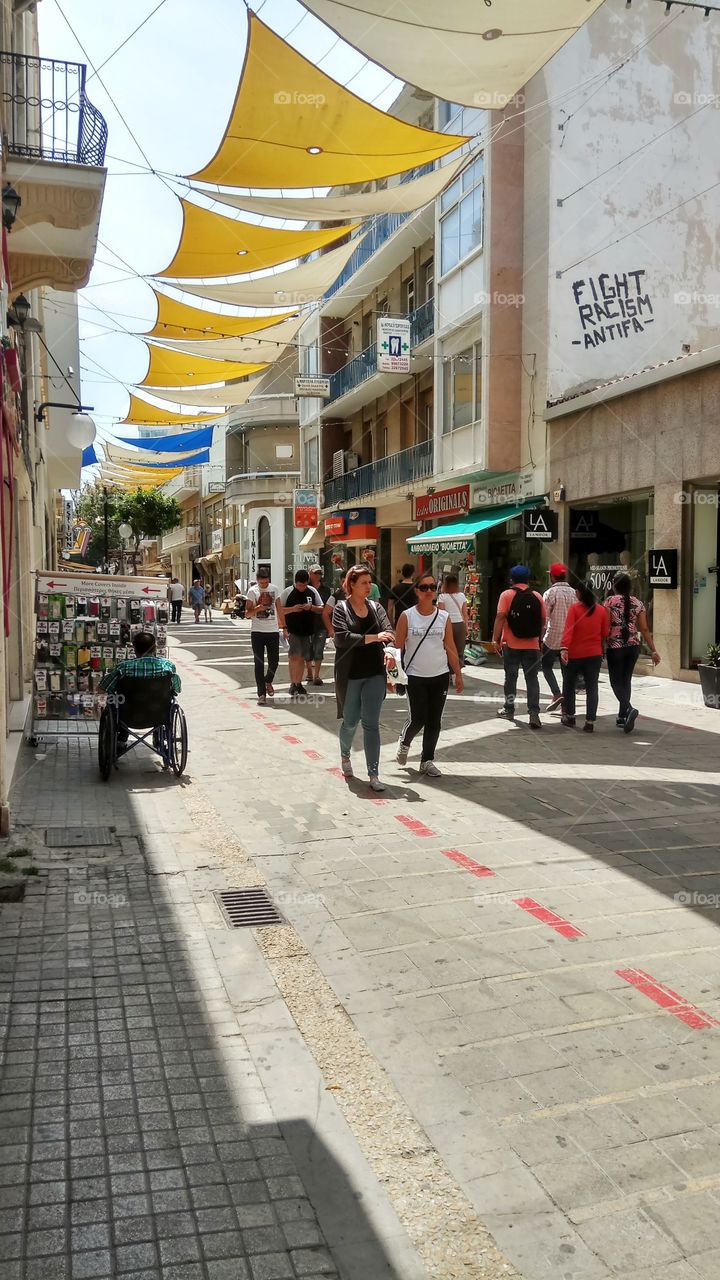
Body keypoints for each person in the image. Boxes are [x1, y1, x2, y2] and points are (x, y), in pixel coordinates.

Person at [395, 571, 464, 777]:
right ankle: (405, 741)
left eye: (432, 587)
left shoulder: (443, 617)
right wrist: (393, 677)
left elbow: (450, 647)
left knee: (434, 720)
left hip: (440, 675)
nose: (429, 591)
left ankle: (427, 760)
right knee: (418, 719)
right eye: (424, 587)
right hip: (415, 676)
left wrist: (457, 674)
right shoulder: (407, 616)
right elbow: (398, 648)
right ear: (416, 591)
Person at [332, 564, 394, 791]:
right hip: (350, 675)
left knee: (371, 724)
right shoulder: (341, 609)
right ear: (351, 585)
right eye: (364, 583)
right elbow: (343, 639)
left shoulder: (376, 608)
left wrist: (388, 650)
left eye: (370, 582)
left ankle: (374, 774)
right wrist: (375, 637)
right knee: (350, 722)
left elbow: (389, 633)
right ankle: (345, 755)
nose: (370, 586)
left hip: (375, 674)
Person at [99, 631, 181, 754]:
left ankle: (121, 740)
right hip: (159, 715)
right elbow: (177, 689)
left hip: (127, 715)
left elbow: (102, 688)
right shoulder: (167, 666)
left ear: (134, 648)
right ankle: (161, 737)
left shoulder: (123, 667)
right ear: (155, 648)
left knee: (114, 700)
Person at [604, 572, 660, 732]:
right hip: (633, 646)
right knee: (626, 680)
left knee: (615, 681)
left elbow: (606, 627)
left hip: (615, 646)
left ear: (614, 586)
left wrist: (601, 642)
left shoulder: (609, 601)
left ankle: (628, 709)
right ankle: (622, 716)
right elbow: (644, 628)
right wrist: (653, 650)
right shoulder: (638, 603)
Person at [492, 565, 546, 728]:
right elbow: (543, 621)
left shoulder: (506, 595)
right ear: (528, 579)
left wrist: (495, 639)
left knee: (511, 677)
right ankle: (534, 714)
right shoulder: (537, 596)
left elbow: (501, 617)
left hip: (512, 643)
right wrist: (539, 640)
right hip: (532, 645)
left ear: (511, 579)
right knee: (532, 679)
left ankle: (509, 709)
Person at [560, 580, 610, 731]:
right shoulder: (601, 610)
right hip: (594, 654)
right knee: (592, 687)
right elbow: (605, 633)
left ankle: (570, 716)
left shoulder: (574, 609)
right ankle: (590, 721)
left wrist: (564, 648)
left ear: (578, 593)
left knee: (569, 685)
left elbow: (568, 630)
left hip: (575, 654)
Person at [279, 569, 324, 697]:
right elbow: (279, 610)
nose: (302, 588)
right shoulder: (287, 592)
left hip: (308, 630)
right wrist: (292, 610)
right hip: (293, 629)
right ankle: (293, 683)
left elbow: (321, 608)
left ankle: (298, 683)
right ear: (295, 583)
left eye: (304, 585)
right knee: (294, 656)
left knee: (302, 657)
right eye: (299, 585)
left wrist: (310, 607)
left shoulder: (312, 591)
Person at [542, 563, 577, 712]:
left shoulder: (550, 593)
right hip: (570, 640)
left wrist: (540, 637)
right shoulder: (575, 593)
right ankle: (566, 707)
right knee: (567, 673)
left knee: (546, 666)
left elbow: (544, 619)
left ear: (552, 576)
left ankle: (556, 693)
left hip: (552, 638)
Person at [245, 568, 282, 705]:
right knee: (259, 663)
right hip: (257, 632)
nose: (264, 584)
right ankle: (261, 693)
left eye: (266, 582)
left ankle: (268, 680)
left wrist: (284, 627)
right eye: (262, 582)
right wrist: (257, 608)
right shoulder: (252, 591)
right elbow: (247, 614)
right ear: (257, 580)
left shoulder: (275, 589)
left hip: (272, 631)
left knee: (275, 660)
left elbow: (279, 608)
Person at [306, 565, 332, 686]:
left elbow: (327, 607)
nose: (318, 576)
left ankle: (317, 675)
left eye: (319, 573)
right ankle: (310, 673)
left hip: (321, 623)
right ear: (310, 574)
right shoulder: (305, 588)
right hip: (307, 623)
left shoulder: (326, 590)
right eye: (315, 573)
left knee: (319, 649)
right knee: (308, 649)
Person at [437, 573, 469, 671]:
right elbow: (465, 613)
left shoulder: (442, 597)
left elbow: (441, 613)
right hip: (460, 624)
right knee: (459, 649)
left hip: (447, 624)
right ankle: (457, 671)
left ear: (445, 584)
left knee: (448, 648)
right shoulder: (462, 596)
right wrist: (466, 627)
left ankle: (449, 671)